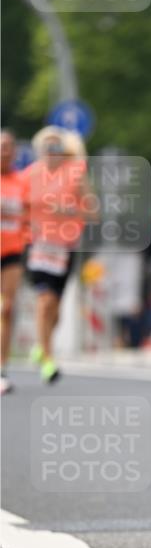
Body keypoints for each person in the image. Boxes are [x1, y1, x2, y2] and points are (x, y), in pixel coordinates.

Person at [23, 127, 97, 382]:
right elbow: (17, 206)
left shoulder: (75, 173)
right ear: (39, 151)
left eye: (57, 147)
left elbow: (93, 212)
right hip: (37, 245)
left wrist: (69, 210)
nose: (52, 152)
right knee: (44, 300)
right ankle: (48, 360)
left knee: (55, 307)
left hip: (65, 246)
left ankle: (41, 344)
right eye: (47, 147)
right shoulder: (30, 175)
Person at [1, 130, 29, 395]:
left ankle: (2, 368)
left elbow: (31, 215)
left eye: (8, 146)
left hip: (11, 251)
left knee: (7, 309)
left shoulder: (21, 182)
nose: (4, 151)